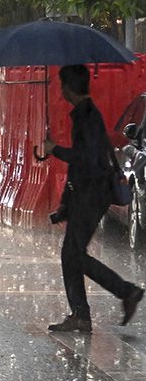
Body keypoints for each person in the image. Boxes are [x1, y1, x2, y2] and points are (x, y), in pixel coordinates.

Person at [43, 64, 144, 332]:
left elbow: (88, 160)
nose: (60, 89)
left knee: (72, 254)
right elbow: (80, 165)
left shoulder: (88, 116)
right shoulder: (83, 114)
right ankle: (83, 314)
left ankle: (123, 293)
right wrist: (66, 201)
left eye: (62, 84)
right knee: (71, 254)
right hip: (84, 194)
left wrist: (56, 150)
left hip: (93, 193)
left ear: (69, 87)